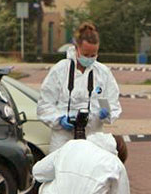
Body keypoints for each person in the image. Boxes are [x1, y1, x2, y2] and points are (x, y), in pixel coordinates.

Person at [37, 22, 122, 153]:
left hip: (93, 139)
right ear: (76, 48)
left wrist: (105, 112)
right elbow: (44, 106)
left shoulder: (103, 73)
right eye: (86, 54)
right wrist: (59, 119)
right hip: (63, 140)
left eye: (93, 55)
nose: (89, 58)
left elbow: (113, 104)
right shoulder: (60, 70)